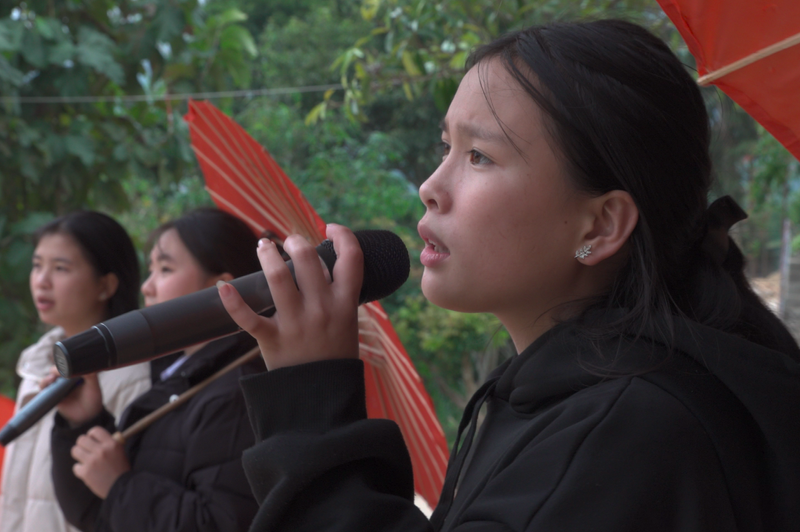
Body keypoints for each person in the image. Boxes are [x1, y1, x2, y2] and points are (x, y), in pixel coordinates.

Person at [218, 19, 800, 532]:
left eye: (480, 157)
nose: (430, 187)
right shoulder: (585, 396)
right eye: (446, 146)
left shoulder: (627, 434)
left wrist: (313, 411)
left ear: (599, 225)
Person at [50, 208, 264, 532]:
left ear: (223, 289)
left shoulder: (235, 393)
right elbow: (94, 516)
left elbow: (221, 523)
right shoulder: (174, 374)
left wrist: (122, 485)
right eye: (150, 270)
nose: (147, 287)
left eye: (165, 269)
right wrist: (84, 422)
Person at [0, 211, 151, 532]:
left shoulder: (131, 374)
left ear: (106, 285)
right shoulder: (37, 361)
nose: (41, 280)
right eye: (38, 265)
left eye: (60, 268)